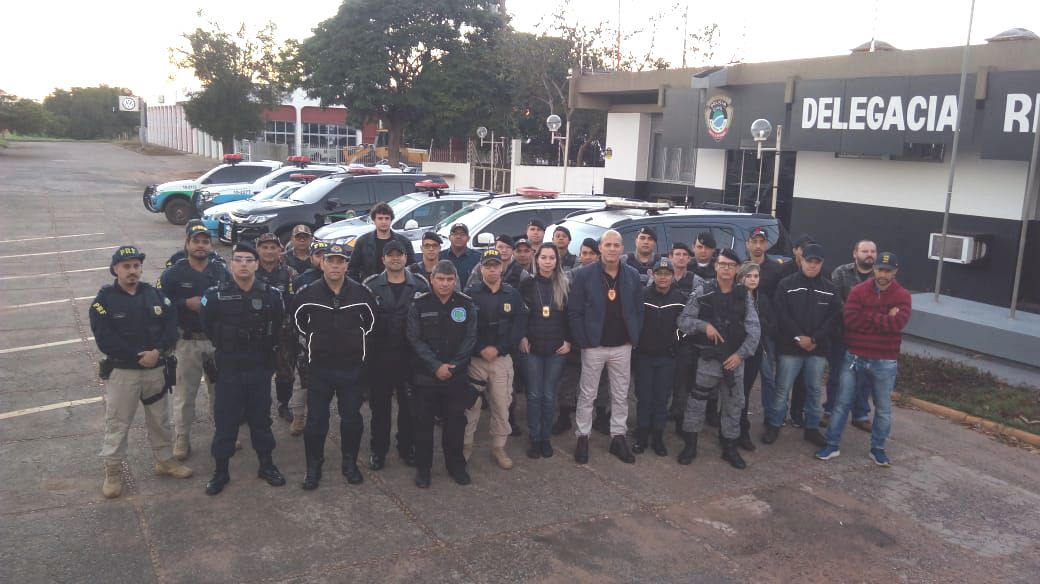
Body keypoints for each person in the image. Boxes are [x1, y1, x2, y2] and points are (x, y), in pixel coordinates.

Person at [90, 246, 192, 498]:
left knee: (160, 420)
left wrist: (157, 351)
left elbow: (171, 326)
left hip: (155, 369)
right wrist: (138, 356)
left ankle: (165, 461)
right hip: (124, 373)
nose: (132, 271)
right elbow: (105, 340)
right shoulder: (103, 301)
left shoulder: (155, 295)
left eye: (136, 266)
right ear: (115, 269)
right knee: (117, 423)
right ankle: (113, 471)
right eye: (126, 266)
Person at [200, 242, 286, 495]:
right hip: (228, 368)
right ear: (231, 264)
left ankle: (266, 465)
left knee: (261, 419)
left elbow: (277, 324)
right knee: (226, 421)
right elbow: (207, 326)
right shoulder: (214, 296)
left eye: (249, 260)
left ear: (257, 265)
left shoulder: (271, 295)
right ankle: (221, 471)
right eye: (238, 259)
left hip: (259, 366)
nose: (244, 264)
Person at [290, 243, 377, 489]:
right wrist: (316, 341)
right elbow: (297, 322)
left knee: (351, 420)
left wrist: (355, 346)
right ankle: (313, 467)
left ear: (347, 265)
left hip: (351, 368)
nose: (335, 266)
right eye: (331, 261)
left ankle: (349, 464)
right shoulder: (307, 294)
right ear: (322, 263)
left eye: (340, 261)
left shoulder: (362, 293)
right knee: (316, 421)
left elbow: (372, 325)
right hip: (320, 368)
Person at [816, 252, 911, 467]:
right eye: (879, 269)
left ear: (895, 271)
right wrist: (884, 317)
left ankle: (878, 449)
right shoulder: (858, 291)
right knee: (842, 403)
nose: (882, 274)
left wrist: (866, 314)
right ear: (874, 269)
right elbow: (850, 320)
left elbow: (897, 324)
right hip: (855, 356)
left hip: (884, 361)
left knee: (883, 408)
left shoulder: (903, 296)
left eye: (887, 271)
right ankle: (831, 444)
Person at [677, 249, 760, 469]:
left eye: (730, 265)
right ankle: (691, 445)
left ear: (737, 269)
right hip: (708, 360)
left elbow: (754, 330)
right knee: (696, 403)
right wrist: (704, 326)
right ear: (716, 266)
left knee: (734, 405)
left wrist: (740, 355)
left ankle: (729, 447)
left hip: (735, 361)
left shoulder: (744, 295)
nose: (726, 269)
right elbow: (683, 321)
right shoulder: (702, 291)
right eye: (722, 264)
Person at [567, 229, 645, 464]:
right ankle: (583, 436)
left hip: (622, 346)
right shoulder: (584, 275)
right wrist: (583, 341)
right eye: (607, 245)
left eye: (616, 245)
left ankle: (618, 437)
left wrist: (633, 337)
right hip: (594, 345)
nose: (612, 249)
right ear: (600, 248)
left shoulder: (632, 275)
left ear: (622, 248)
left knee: (620, 395)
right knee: (587, 394)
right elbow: (574, 311)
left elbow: (638, 310)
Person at [159, 220, 230, 460]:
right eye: (196, 241)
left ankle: (223, 433)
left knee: (220, 392)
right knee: (185, 394)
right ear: (187, 244)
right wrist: (184, 304)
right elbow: (160, 305)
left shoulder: (220, 271)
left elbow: (231, 299)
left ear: (210, 245)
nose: (201, 245)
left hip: (216, 341)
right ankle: (182, 438)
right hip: (187, 342)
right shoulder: (173, 274)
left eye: (205, 241)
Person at [407, 260, 478, 487]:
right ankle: (423, 469)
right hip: (426, 376)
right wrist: (436, 366)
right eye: (440, 279)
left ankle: (456, 466)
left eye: (449, 279)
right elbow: (414, 339)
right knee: (423, 425)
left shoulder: (465, 304)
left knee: (455, 424)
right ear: (432, 279)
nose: (445, 284)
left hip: (455, 376)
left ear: (455, 281)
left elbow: (470, 338)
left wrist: (453, 366)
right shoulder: (419, 305)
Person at [764, 243, 842, 448]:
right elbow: (781, 313)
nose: (812, 265)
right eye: (809, 261)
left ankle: (812, 428)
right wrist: (799, 337)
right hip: (790, 347)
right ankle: (774, 424)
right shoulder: (786, 284)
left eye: (817, 262)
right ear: (801, 261)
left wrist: (814, 339)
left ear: (822, 264)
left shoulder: (830, 289)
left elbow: (833, 318)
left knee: (814, 389)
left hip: (817, 349)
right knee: (782, 388)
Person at [363, 240, 430, 470]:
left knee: (409, 408)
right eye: (390, 255)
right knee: (380, 408)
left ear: (405, 258)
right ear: (383, 259)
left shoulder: (420, 284)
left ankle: (406, 447)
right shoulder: (371, 286)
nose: (395, 258)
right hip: (380, 359)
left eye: (399, 254)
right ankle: (378, 450)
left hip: (410, 358)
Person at [463, 249, 527, 469]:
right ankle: (466, 445)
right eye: (487, 266)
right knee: (470, 406)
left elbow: (519, 327)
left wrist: (499, 348)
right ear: (481, 269)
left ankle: (499, 447)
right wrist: (480, 349)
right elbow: (463, 327)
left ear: (502, 268)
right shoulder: (470, 294)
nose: (492, 270)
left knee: (501, 405)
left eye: (495, 266)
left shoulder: (512, 294)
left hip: (501, 360)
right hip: (476, 360)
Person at [518, 243, 571, 459]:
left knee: (549, 395)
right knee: (534, 394)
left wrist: (569, 341)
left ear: (557, 261)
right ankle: (534, 437)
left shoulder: (565, 285)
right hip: (532, 348)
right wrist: (521, 336)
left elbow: (571, 316)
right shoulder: (527, 284)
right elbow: (520, 315)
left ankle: (545, 438)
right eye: (544, 257)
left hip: (556, 350)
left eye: (552, 258)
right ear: (537, 260)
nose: (548, 262)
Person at [633, 258, 687, 457]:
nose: (663, 277)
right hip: (644, 357)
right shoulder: (642, 295)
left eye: (667, 274)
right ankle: (641, 435)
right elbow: (634, 321)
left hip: (667, 358)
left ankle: (657, 437)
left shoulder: (680, 298)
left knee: (661, 398)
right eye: (659, 273)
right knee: (644, 397)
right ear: (653, 275)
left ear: (672, 276)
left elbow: (685, 327)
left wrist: (675, 342)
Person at [823, 239, 877, 430]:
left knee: (865, 376)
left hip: (869, 337)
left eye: (872, 251)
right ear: (855, 254)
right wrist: (859, 314)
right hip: (842, 334)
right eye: (865, 251)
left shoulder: (880, 276)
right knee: (837, 375)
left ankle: (860, 415)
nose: (869, 255)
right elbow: (835, 301)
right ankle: (830, 411)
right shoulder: (841, 273)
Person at [551, 237, 603, 435]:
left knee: (601, 381)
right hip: (574, 336)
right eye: (584, 253)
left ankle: (601, 416)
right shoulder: (571, 276)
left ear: (598, 256)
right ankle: (564, 416)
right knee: (569, 378)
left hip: (598, 338)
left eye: (591, 253)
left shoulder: (604, 276)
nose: (587, 257)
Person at [286, 240, 331, 435]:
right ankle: (298, 417)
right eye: (318, 255)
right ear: (311, 258)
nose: (322, 259)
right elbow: (293, 308)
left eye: (326, 256)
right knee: (303, 378)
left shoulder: (340, 278)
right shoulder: (302, 280)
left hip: (334, 338)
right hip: (308, 337)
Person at [254, 232, 297, 422]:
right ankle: (254, 405)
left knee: (285, 370)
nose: (269, 251)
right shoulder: (251, 270)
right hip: (257, 329)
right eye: (265, 247)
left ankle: (284, 403)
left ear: (280, 250)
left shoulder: (289, 273)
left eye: (273, 247)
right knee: (256, 370)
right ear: (258, 249)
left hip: (283, 329)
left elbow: (296, 299)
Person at [744, 227, 785, 423]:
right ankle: (738, 416)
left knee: (768, 377)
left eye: (762, 242)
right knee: (741, 378)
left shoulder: (776, 270)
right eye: (754, 241)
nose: (758, 246)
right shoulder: (741, 267)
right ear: (748, 244)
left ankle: (771, 417)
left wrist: (772, 327)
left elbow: (780, 302)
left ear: (767, 245)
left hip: (766, 333)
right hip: (743, 333)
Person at [734, 262, 775, 451]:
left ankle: (742, 431)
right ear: (741, 278)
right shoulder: (735, 296)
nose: (752, 280)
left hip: (756, 350)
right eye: (748, 276)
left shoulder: (763, 299)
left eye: (756, 276)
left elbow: (772, 324)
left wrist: (758, 324)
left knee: (745, 392)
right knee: (734, 392)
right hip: (736, 350)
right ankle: (733, 429)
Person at [349, 202, 416, 283]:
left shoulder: (404, 242)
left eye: (387, 218)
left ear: (391, 220)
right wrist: (360, 288)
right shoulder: (362, 242)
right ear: (374, 220)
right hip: (370, 287)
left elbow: (412, 268)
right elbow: (352, 270)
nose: (384, 222)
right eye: (380, 218)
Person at [464, 234, 531, 289]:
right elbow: (470, 290)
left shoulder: (520, 272)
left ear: (513, 251)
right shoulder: (482, 266)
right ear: (495, 248)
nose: (504, 250)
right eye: (500, 247)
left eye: (508, 247)